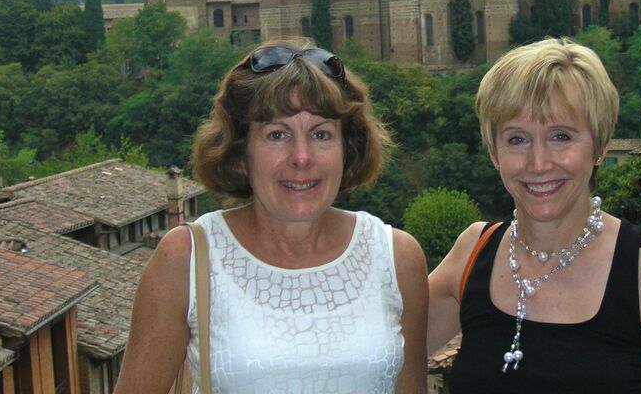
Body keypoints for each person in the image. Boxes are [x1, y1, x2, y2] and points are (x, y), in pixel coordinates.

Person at [115, 40, 428, 394]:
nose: (301, 157)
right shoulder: (187, 258)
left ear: (347, 148)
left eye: (321, 134)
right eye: (277, 134)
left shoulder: (396, 257)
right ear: (239, 151)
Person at [427, 38, 641, 393]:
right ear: (493, 151)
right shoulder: (473, 252)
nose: (538, 163)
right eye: (517, 139)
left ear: (600, 145)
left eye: (560, 136)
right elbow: (379, 346)